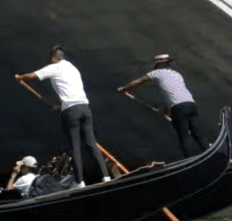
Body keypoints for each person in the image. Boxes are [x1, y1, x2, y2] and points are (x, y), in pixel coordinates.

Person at [16, 45, 111, 188]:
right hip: (85, 108)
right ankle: (106, 176)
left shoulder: (55, 67)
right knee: (91, 144)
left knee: (75, 147)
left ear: (54, 58)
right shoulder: (73, 68)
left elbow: (31, 76)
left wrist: (20, 77)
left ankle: (80, 182)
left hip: (71, 111)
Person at [118, 54, 209, 158]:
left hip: (179, 109)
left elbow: (138, 81)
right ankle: (208, 152)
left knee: (184, 136)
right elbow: (175, 94)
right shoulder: (176, 74)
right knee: (197, 133)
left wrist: (125, 89)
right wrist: (166, 110)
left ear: (158, 64)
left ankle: (189, 159)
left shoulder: (157, 73)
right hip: (191, 105)